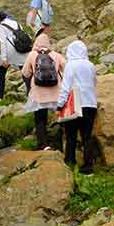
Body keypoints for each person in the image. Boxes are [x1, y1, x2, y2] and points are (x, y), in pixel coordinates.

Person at [56, 40, 99, 174]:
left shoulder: (70, 65)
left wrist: (59, 105)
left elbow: (65, 87)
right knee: (87, 136)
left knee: (71, 136)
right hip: (90, 104)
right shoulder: (90, 65)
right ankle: (88, 167)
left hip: (75, 104)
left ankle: (70, 162)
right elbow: (94, 82)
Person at [21, 33, 65, 150]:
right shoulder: (55, 55)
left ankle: (43, 144)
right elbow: (66, 68)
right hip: (55, 91)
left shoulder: (32, 55)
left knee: (40, 118)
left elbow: (25, 73)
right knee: (61, 115)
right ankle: (63, 141)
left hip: (39, 92)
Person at [0, 10, 30, 100]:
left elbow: (3, 42)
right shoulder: (16, 23)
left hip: (11, 51)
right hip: (22, 49)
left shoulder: (1, 26)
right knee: (25, 72)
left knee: (1, 70)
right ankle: (32, 94)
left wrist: (4, 58)